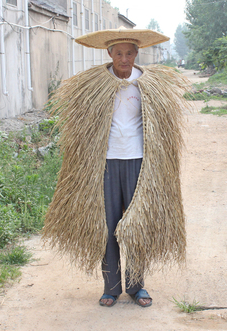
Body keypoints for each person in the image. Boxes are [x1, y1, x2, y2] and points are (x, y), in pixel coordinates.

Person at [42, 27, 187, 308]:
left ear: (136, 54)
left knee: (135, 225)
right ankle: (110, 287)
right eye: (118, 53)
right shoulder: (94, 84)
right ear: (108, 53)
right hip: (104, 164)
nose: (124, 58)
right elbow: (79, 130)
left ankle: (136, 287)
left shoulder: (148, 84)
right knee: (107, 226)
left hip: (139, 162)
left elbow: (164, 130)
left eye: (129, 53)